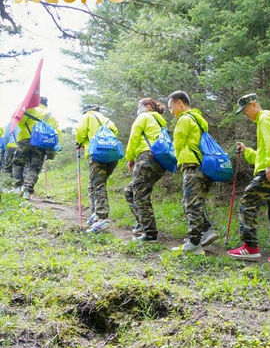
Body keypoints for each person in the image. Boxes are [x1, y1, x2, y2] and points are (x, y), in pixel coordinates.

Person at [227, 93, 270, 266]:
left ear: (253, 104)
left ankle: (250, 247)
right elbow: (263, 154)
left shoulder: (264, 118)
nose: (246, 114)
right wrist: (247, 151)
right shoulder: (268, 120)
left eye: (245, 110)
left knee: (247, 201)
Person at [168, 91, 217, 255]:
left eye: (171, 107)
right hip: (204, 167)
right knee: (193, 203)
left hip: (192, 167)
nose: (171, 111)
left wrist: (174, 161)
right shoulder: (199, 120)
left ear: (179, 103)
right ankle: (206, 231)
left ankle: (194, 243)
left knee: (191, 205)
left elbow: (178, 144)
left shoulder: (185, 119)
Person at [124, 98, 169, 242]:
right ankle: (142, 224)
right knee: (131, 191)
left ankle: (150, 234)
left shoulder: (144, 116)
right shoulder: (161, 121)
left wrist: (130, 157)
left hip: (146, 157)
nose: (138, 109)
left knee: (140, 195)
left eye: (140, 106)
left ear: (148, 107)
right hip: (160, 161)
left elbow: (134, 137)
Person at [75, 104, 119, 233]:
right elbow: (115, 132)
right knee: (94, 184)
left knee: (98, 185)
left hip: (96, 154)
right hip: (112, 156)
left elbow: (79, 132)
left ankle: (102, 218)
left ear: (86, 110)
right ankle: (95, 212)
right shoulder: (107, 119)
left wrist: (80, 142)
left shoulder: (87, 117)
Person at [12, 97, 61, 200]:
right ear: (46, 104)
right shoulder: (50, 115)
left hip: (25, 139)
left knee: (18, 163)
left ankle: (17, 187)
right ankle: (27, 190)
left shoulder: (30, 109)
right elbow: (56, 132)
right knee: (34, 167)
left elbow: (19, 121)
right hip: (40, 144)